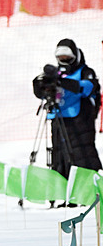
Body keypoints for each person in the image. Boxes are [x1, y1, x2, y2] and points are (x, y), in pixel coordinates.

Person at [32, 38, 102, 188]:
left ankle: (87, 188)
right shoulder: (57, 75)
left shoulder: (85, 72)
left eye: (68, 58)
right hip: (59, 120)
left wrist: (61, 82)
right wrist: (42, 84)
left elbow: (86, 87)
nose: (64, 62)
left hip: (80, 121)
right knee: (59, 156)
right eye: (60, 59)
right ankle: (63, 189)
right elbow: (41, 92)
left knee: (81, 155)